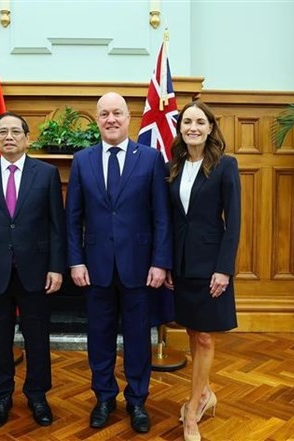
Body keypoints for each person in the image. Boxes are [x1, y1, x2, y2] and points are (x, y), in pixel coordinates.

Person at [65, 92, 172, 434]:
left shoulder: (151, 159)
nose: (111, 119)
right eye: (104, 114)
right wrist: (75, 261)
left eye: (117, 113)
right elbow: (73, 218)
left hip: (140, 267)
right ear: (97, 120)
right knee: (99, 336)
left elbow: (161, 217)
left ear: (130, 118)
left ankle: (137, 400)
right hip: (95, 267)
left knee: (139, 337)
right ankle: (104, 398)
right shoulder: (82, 160)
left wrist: (160, 262)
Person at [0, 111, 66, 428]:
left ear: (26, 137)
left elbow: (56, 226)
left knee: (37, 337)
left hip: (36, 270)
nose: (9, 137)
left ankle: (37, 395)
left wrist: (57, 268)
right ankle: (2, 395)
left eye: (15, 132)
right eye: (2, 132)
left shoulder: (46, 174)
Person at [167, 101, 241, 441]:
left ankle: (193, 410)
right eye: (187, 122)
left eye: (199, 121)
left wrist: (224, 269)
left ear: (210, 127)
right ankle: (206, 392)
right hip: (182, 267)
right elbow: (169, 220)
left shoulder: (226, 166)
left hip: (212, 266)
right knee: (194, 334)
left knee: (207, 336)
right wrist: (167, 263)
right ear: (180, 128)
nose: (192, 127)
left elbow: (234, 222)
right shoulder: (173, 167)